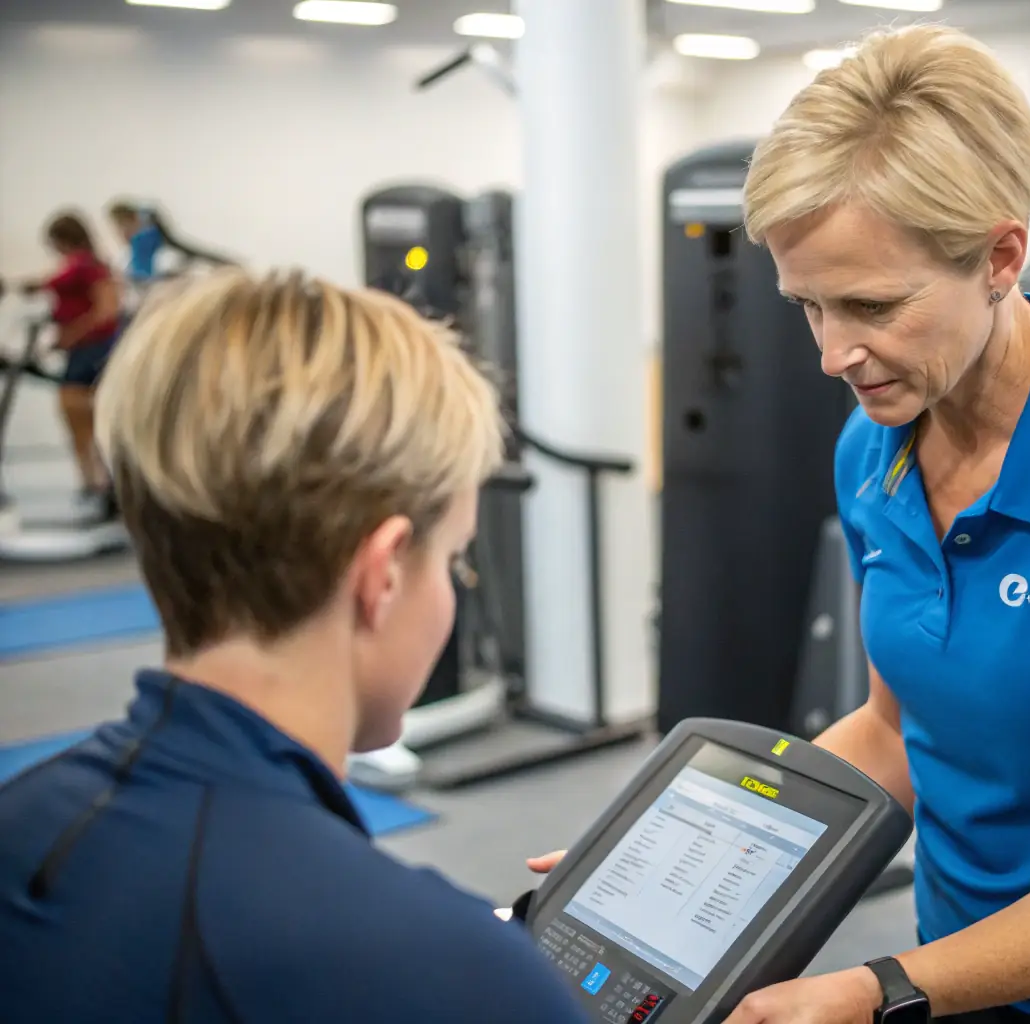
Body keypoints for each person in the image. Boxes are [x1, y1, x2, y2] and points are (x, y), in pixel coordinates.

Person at [528, 25, 1030, 1024]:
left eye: (870, 304)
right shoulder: (875, 447)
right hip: (967, 966)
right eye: (808, 307)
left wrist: (878, 989)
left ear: (1000, 256)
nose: (833, 353)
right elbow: (895, 729)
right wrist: (672, 867)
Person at [0, 268, 590, 1024]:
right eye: (453, 560)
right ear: (380, 576)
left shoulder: (23, 823)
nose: (451, 590)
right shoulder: (445, 967)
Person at [17, 212, 122, 508]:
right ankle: (93, 483)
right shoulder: (82, 266)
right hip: (81, 349)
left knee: (86, 416)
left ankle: (100, 483)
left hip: (93, 349)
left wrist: (70, 336)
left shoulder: (89, 266)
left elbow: (107, 310)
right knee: (80, 419)